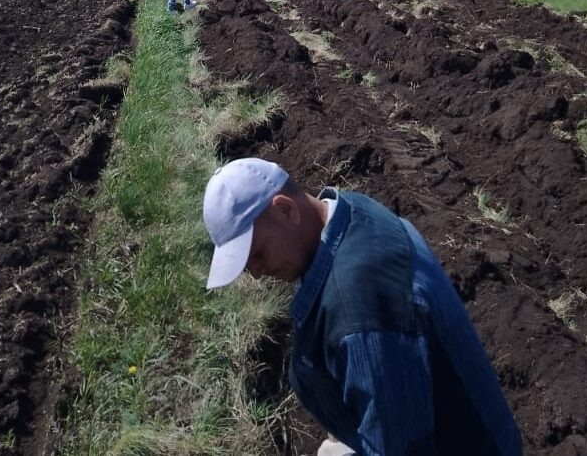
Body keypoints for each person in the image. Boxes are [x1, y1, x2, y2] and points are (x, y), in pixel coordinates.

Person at [202, 158, 523, 456]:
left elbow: (400, 447)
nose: (256, 273)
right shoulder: (349, 211)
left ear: (286, 210)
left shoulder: (360, 311)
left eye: (256, 254)